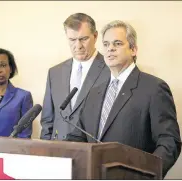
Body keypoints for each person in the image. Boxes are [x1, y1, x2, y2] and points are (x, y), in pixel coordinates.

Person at [66, 20, 181, 178]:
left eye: (117, 43)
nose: (110, 49)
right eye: (106, 44)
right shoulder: (94, 92)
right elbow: (78, 137)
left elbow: (169, 142)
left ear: (133, 49)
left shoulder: (154, 88)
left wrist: (147, 175)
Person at [40, 13, 110, 140]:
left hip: (92, 151)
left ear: (95, 36)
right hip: (58, 150)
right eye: (72, 40)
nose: (78, 46)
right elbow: (47, 121)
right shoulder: (54, 72)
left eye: (83, 39)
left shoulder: (110, 70)